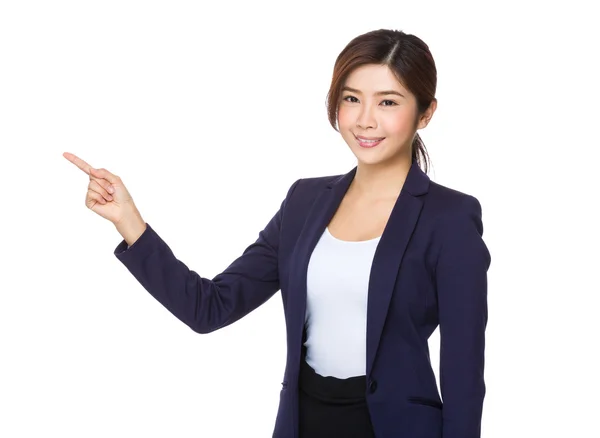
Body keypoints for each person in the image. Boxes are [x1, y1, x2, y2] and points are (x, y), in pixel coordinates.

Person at [64, 28, 491, 438]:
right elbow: (209, 308)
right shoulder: (305, 202)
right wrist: (130, 222)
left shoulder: (449, 218)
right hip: (305, 421)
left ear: (426, 112)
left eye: (388, 102)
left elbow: (463, 377)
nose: (364, 120)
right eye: (351, 98)